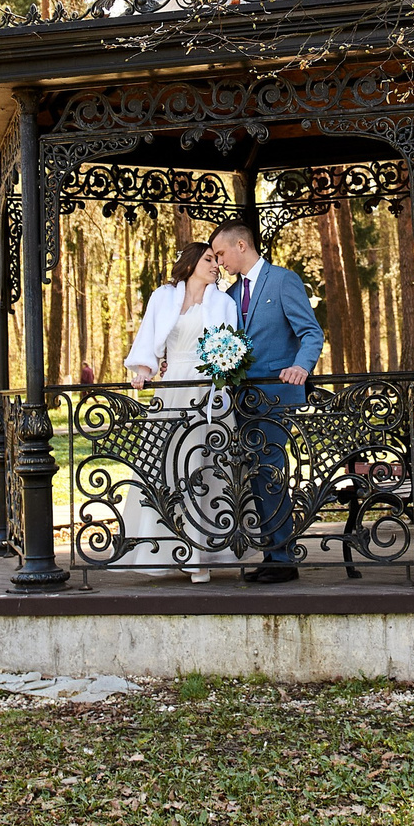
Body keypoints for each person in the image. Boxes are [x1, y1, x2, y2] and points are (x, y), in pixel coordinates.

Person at [209, 220, 324, 584]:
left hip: (275, 396)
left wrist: (301, 368)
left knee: (271, 474)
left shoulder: (283, 280)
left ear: (241, 245)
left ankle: (282, 558)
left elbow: (311, 332)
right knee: (256, 477)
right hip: (240, 399)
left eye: (222, 253)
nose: (220, 261)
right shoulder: (227, 296)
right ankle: (273, 554)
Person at [121, 241, 244, 580]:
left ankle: (203, 556)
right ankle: (164, 550)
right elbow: (148, 336)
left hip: (211, 392)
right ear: (190, 263)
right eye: (208, 259)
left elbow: (232, 341)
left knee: (206, 467)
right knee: (168, 466)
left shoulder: (223, 302)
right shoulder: (163, 296)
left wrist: (225, 366)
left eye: (217, 260)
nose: (215, 265)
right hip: (173, 387)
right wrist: (143, 370)